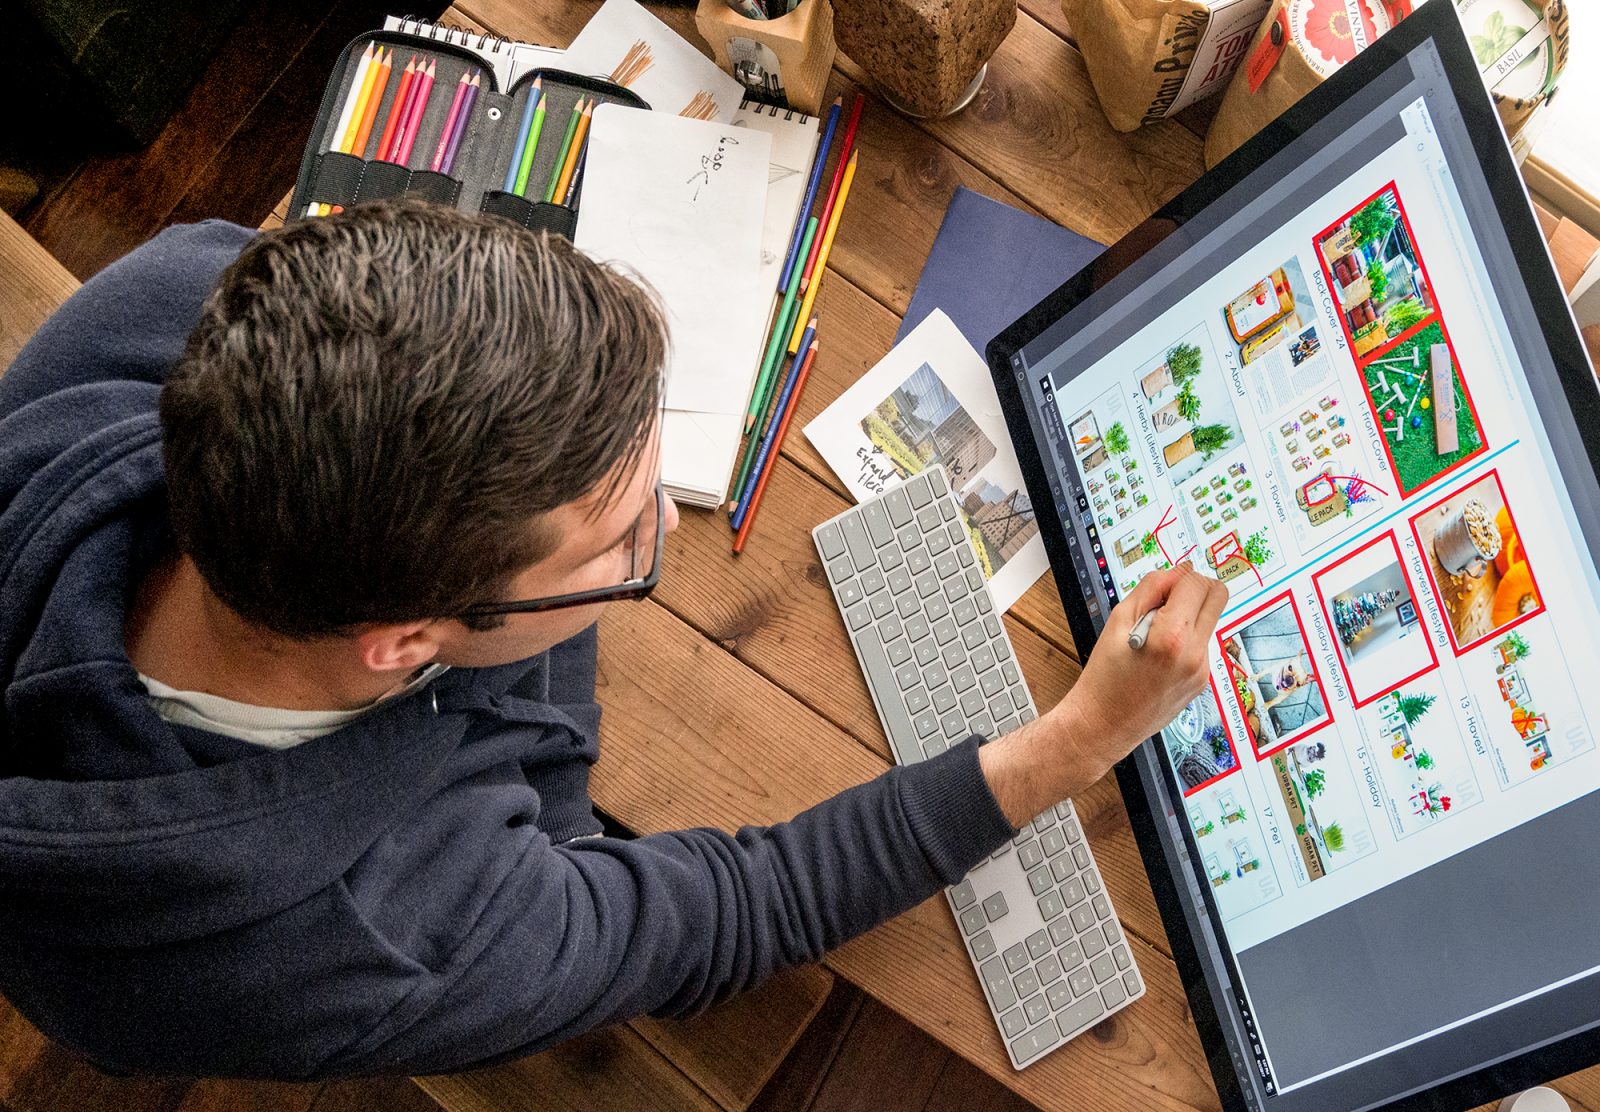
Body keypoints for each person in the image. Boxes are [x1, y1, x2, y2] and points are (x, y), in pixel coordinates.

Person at [0, 200, 1227, 1079]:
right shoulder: (399, 936)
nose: (666, 533)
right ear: (406, 641)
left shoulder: (189, 290)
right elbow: (735, 909)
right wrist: (1075, 740)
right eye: (620, 537)